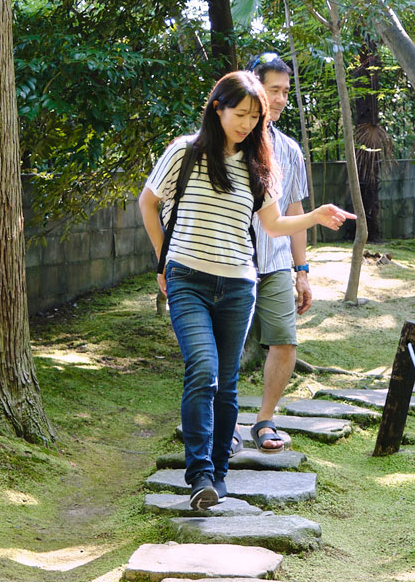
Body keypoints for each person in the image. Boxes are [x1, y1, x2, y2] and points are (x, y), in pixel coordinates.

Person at [138, 71, 354, 510]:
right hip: (188, 279)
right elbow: (148, 202)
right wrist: (164, 259)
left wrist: (315, 216)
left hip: (239, 285)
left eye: (255, 117)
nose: (248, 124)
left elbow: (273, 225)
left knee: (227, 385)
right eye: (241, 114)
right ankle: (198, 473)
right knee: (203, 369)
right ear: (217, 108)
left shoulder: (260, 164)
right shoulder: (183, 151)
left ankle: (218, 475)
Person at [245, 52, 316, 453]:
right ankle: (219, 427)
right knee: (221, 349)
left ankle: (264, 420)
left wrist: (301, 270)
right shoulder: (231, 141)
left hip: (273, 264)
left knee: (284, 342)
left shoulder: (289, 150)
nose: (281, 99)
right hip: (230, 261)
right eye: (274, 90)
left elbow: (295, 212)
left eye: (286, 92)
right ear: (254, 88)